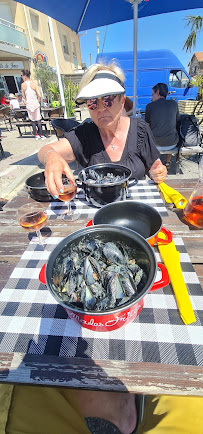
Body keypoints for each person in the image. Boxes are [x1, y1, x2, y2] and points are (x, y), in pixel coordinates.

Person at [38, 62, 167, 198]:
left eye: (108, 100)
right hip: (98, 207)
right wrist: (51, 157)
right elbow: (45, 151)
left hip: (134, 208)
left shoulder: (140, 129)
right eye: (92, 102)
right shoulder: (84, 135)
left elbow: (152, 165)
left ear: (122, 101)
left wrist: (157, 170)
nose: (100, 108)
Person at [145, 82, 180, 168]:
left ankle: (155, 163)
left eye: (152, 95)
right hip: (172, 143)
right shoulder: (174, 104)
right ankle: (167, 161)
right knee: (170, 131)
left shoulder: (149, 106)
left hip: (155, 144)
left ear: (157, 92)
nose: (151, 97)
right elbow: (176, 122)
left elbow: (147, 126)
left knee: (150, 136)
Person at [21, 69, 46, 140]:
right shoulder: (34, 84)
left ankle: (36, 134)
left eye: (22, 75)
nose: (22, 77)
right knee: (38, 119)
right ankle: (41, 134)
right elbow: (40, 95)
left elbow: (23, 96)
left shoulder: (23, 85)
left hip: (29, 104)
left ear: (25, 76)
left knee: (33, 120)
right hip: (35, 103)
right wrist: (37, 102)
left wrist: (25, 101)